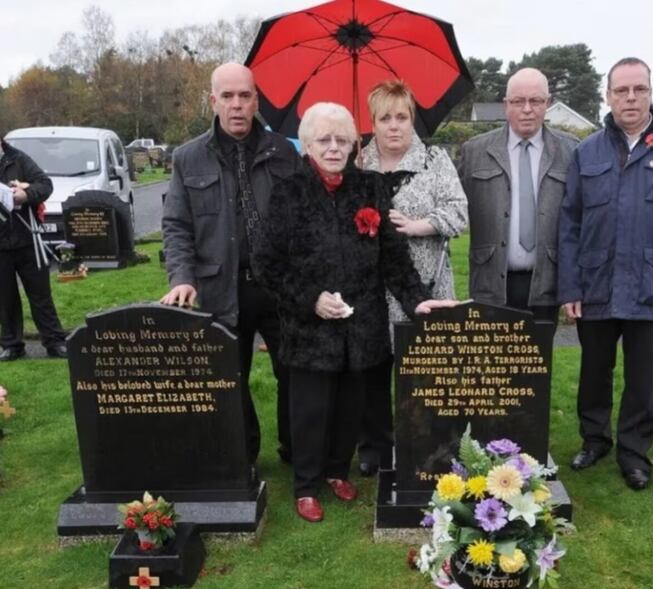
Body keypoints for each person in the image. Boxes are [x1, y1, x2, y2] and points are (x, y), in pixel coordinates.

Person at [252, 102, 454, 523]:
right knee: (311, 409)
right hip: (310, 327)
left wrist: (417, 299)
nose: (332, 147)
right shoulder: (289, 192)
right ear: (307, 144)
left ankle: (336, 471)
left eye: (341, 139)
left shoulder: (371, 189)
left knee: (350, 407)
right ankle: (306, 484)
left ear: (354, 144)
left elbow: (394, 259)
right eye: (323, 140)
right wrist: (312, 299)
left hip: (362, 325)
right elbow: (268, 264)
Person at [558, 57, 653, 490]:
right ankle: (594, 439)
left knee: (642, 377)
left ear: (650, 92)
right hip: (596, 283)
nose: (630, 98)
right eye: (621, 90)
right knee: (594, 371)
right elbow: (569, 223)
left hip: (652, 285)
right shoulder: (588, 151)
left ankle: (633, 452)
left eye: (638, 89)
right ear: (607, 96)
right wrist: (570, 284)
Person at [160, 62, 300, 466]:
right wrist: (182, 277)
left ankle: (295, 450)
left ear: (256, 99)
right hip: (220, 287)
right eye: (228, 96)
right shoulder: (188, 158)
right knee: (228, 377)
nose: (237, 105)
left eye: (245, 96)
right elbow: (176, 225)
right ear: (213, 101)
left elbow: (301, 218)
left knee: (294, 371)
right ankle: (243, 454)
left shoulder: (283, 151)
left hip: (277, 288)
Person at [357, 80, 468, 476]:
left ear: (412, 120)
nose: (393, 126)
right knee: (373, 372)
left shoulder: (434, 161)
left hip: (426, 286)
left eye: (401, 117)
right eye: (384, 118)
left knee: (423, 371)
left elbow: (460, 214)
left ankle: (427, 441)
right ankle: (374, 446)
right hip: (372, 289)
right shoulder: (357, 163)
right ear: (372, 122)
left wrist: (419, 225)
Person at [458, 68, 578, 323]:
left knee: (537, 362)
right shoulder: (474, 151)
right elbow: (451, 206)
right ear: (505, 105)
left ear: (547, 104)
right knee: (493, 362)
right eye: (518, 101)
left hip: (546, 285)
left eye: (535, 101)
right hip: (490, 284)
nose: (527, 109)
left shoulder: (570, 151)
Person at [0, 139, 68, 361]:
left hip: (27, 239)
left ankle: (54, 341)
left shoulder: (19, 159)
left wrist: (25, 194)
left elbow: (45, 185)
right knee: (5, 297)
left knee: (40, 295)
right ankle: (12, 345)